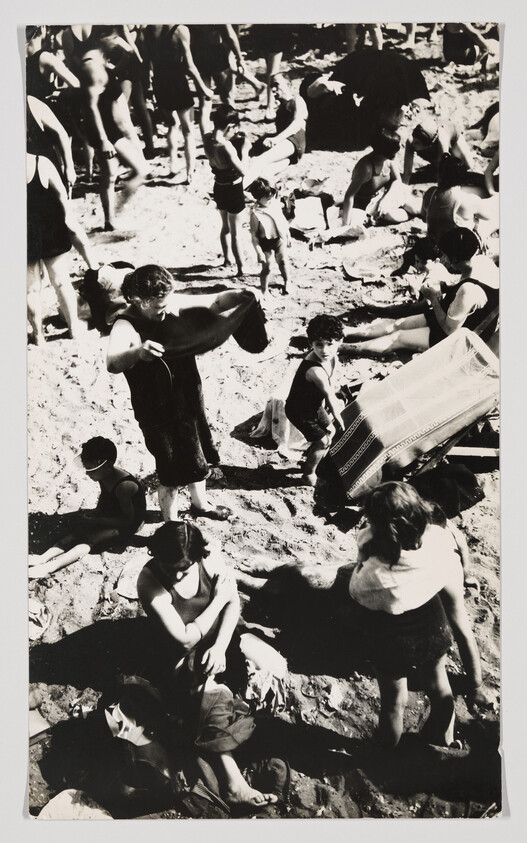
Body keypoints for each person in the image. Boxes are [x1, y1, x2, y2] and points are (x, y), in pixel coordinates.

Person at [106, 264, 254, 521]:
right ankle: (171, 522)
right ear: (140, 301)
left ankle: (201, 505)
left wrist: (241, 294)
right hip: (157, 413)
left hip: (187, 401)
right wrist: (137, 352)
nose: (165, 311)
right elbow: (112, 362)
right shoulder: (125, 325)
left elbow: (217, 301)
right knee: (170, 471)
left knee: (197, 458)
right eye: (159, 307)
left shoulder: (169, 304)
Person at [348, 482, 490, 747]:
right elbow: (451, 542)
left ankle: (386, 750)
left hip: (393, 639)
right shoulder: (435, 541)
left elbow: (357, 592)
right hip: (432, 627)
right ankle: (442, 737)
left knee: (394, 702)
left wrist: (364, 552)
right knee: (439, 686)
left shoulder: (375, 575)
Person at [339, 227, 499, 357]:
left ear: (455, 259)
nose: (442, 260)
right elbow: (471, 294)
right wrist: (445, 287)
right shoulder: (481, 261)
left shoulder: (468, 291)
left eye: (444, 256)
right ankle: (347, 331)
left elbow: (449, 331)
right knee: (396, 324)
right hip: (454, 315)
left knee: (398, 337)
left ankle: (344, 348)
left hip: (458, 338)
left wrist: (434, 298)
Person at [62, 24, 148, 230]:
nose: (115, 42)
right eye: (113, 38)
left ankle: (110, 220)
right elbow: (90, 107)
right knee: (140, 170)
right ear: (102, 37)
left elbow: (112, 78)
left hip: (110, 127)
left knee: (109, 176)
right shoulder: (91, 65)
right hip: (106, 131)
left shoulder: (101, 59)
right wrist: (103, 140)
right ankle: (117, 211)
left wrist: (125, 50)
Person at [28, 437, 146, 579]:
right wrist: (96, 513)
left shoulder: (124, 486)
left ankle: (50, 567)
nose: (87, 473)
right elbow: (104, 496)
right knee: (78, 531)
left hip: (127, 524)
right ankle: (43, 558)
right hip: (113, 512)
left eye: (91, 469)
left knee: (90, 539)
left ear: (107, 465)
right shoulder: (104, 475)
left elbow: (127, 520)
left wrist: (98, 521)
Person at [26, 152, 99, 344]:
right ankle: (74, 328)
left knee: (31, 289)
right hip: (50, 227)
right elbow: (62, 196)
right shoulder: (40, 162)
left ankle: (38, 335)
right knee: (61, 282)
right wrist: (67, 218)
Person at [144, 25, 213, 183]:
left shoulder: (149, 29)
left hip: (160, 82)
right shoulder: (180, 29)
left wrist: (148, 85)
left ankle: (173, 163)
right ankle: (190, 172)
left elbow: (148, 61)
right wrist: (203, 88)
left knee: (172, 125)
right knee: (188, 130)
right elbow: (189, 66)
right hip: (177, 81)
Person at [285, 315, 345, 486]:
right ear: (311, 344)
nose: (324, 350)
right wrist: (340, 418)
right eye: (319, 344)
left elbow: (331, 384)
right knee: (323, 441)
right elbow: (329, 395)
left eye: (330, 343)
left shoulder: (332, 358)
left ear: (340, 341)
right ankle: (309, 475)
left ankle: (313, 459)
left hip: (314, 406)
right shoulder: (314, 371)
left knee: (330, 432)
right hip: (300, 412)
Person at [202, 105, 251, 276]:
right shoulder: (226, 146)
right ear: (230, 126)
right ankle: (241, 268)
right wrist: (245, 151)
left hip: (218, 187)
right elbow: (243, 171)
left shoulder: (207, 138)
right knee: (237, 232)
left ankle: (227, 259)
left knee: (225, 227)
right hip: (233, 188)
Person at [340, 128, 421, 227]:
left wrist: (385, 199)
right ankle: (412, 215)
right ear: (386, 151)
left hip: (385, 195)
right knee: (389, 215)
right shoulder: (366, 168)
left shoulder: (388, 161)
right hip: (368, 203)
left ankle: (421, 210)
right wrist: (345, 224)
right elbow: (349, 195)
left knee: (413, 207)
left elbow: (397, 180)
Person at [424, 153, 499, 247]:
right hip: (459, 252)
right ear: (463, 177)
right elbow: (488, 216)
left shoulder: (430, 194)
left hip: (435, 245)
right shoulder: (466, 200)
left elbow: (424, 214)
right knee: (496, 216)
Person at [246, 73, 307, 183]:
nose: (273, 89)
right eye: (272, 86)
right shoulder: (281, 108)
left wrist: (276, 139)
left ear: (288, 85)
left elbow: (297, 124)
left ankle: (237, 192)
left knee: (258, 161)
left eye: (276, 85)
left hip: (293, 141)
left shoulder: (297, 100)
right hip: (290, 152)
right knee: (266, 171)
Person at [248, 178, 291, 296]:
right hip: (265, 243)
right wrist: (259, 252)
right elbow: (254, 236)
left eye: (272, 195)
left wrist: (288, 235)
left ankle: (287, 282)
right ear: (257, 197)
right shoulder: (255, 214)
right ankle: (264, 290)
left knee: (283, 261)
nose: (270, 198)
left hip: (279, 239)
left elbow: (282, 221)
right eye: (267, 197)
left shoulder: (275, 205)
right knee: (268, 267)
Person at [403, 116, 474, 184]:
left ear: (429, 145)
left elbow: (443, 174)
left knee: (468, 166)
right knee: (438, 167)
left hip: (451, 137)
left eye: (417, 143)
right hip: (433, 141)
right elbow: (407, 173)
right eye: (414, 139)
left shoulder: (443, 142)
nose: (413, 144)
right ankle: (434, 165)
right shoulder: (411, 141)